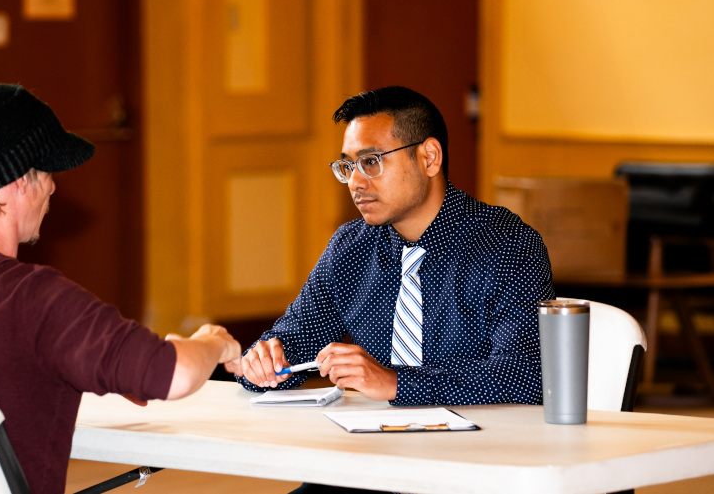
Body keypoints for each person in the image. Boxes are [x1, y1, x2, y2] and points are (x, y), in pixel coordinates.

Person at [0, 84, 240, 494]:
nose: (51, 188)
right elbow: (176, 375)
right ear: (15, 181)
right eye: (46, 173)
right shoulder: (32, 296)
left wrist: (104, 368)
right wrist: (213, 341)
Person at [233, 86, 554, 408]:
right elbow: (295, 341)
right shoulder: (350, 248)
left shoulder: (508, 244)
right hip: (376, 445)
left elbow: (523, 374)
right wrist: (262, 363)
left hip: (488, 444)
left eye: (371, 161)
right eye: (348, 166)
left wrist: (395, 383)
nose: (356, 182)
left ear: (429, 157)